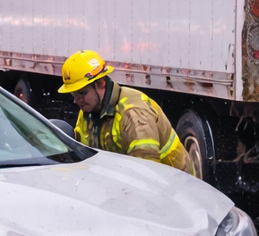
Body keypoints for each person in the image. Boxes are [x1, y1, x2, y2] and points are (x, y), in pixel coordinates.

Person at [59, 49, 192, 172]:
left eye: (82, 93)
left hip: (173, 182)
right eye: (73, 95)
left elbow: (146, 169)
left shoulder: (134, 113)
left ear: (100, 83)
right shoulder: (88, 111)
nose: (76, 101)